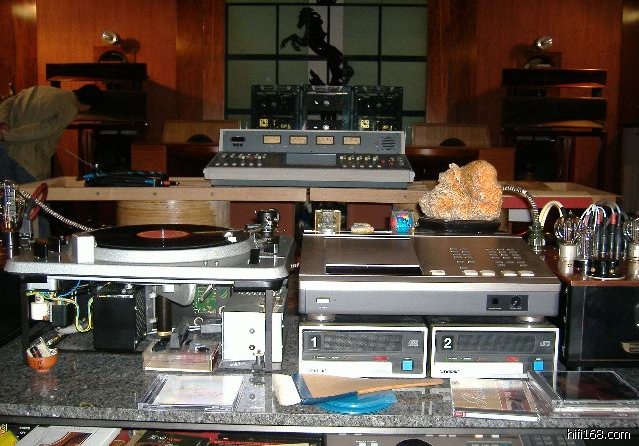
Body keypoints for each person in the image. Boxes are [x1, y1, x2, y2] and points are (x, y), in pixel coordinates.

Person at [0, 84, 103, 183]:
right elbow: (41, 131)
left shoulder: (41, 89)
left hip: (4, 150)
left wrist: (2, 123)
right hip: (27, 159)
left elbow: (9, 102)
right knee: (31, 194)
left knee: (9, 194)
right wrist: (7, 136)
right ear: (88, 106)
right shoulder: (70, 109)